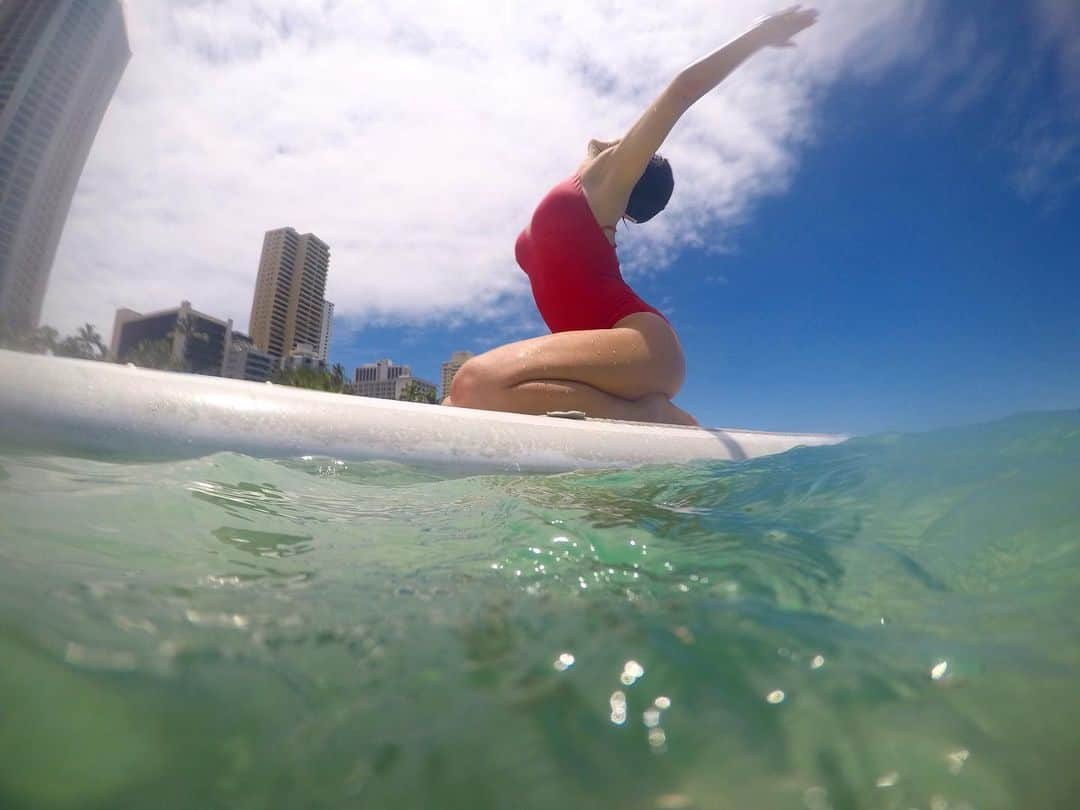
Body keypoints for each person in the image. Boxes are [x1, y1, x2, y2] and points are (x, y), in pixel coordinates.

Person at [446, 6, 819, 426]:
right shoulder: (588, 186)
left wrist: (760, 34)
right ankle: (641, 415)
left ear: (632, 176)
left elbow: (682, 90)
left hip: (641, 347)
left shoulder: (604, 182)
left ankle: (654, 416)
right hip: (608, 364)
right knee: (456, 406)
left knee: (473, 382)